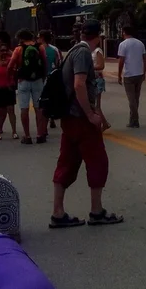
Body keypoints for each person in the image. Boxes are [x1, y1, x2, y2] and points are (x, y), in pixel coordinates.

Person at [51, 21, 122, 229]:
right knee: (98, 162)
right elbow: (79, 84)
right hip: (80, 118)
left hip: (69, 118)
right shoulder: (83, 53)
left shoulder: (73, 50)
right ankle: (96, 211)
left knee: (67, 163)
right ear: (98, 36)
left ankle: (58, 212)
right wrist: (91, 114)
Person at [14, 30, 48, 144]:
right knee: (39, 108)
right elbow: (44, 62)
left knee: (24, 108)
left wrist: (15, 75)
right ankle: (39, 134)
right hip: (38, 80)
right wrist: (43, 76)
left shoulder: (18, 49)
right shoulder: (40, 47)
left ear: (21, 38)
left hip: (23, 81)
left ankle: (27, 136)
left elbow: (11, 65)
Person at [115, 25, 146, 128]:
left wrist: (119, 74)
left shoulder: (123, 44)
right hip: (139, 73)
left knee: (131, 99)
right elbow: (145, 58)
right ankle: (132, 120)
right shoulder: (140, 43)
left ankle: (135, 118)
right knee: (136, 98)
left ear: (124, 32)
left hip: (129, 74)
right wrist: (144, 71)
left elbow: (121, 60)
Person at [38, 30, 60, 132]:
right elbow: (58, 62)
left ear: (42, 38)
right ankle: (51, 118)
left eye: (38, 37)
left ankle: (45, 124)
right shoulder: (54, 49)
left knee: (43, 101)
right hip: (52, 77)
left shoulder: (38, 49)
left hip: (43, 78)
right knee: (50, 98)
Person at [92, 33, 107, 112]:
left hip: (97, 79)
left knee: (96, 106)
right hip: (92, 79)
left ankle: (104, 124)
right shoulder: (91, 50)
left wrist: (89, 67)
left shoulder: (98, 51)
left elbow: (101, 66)